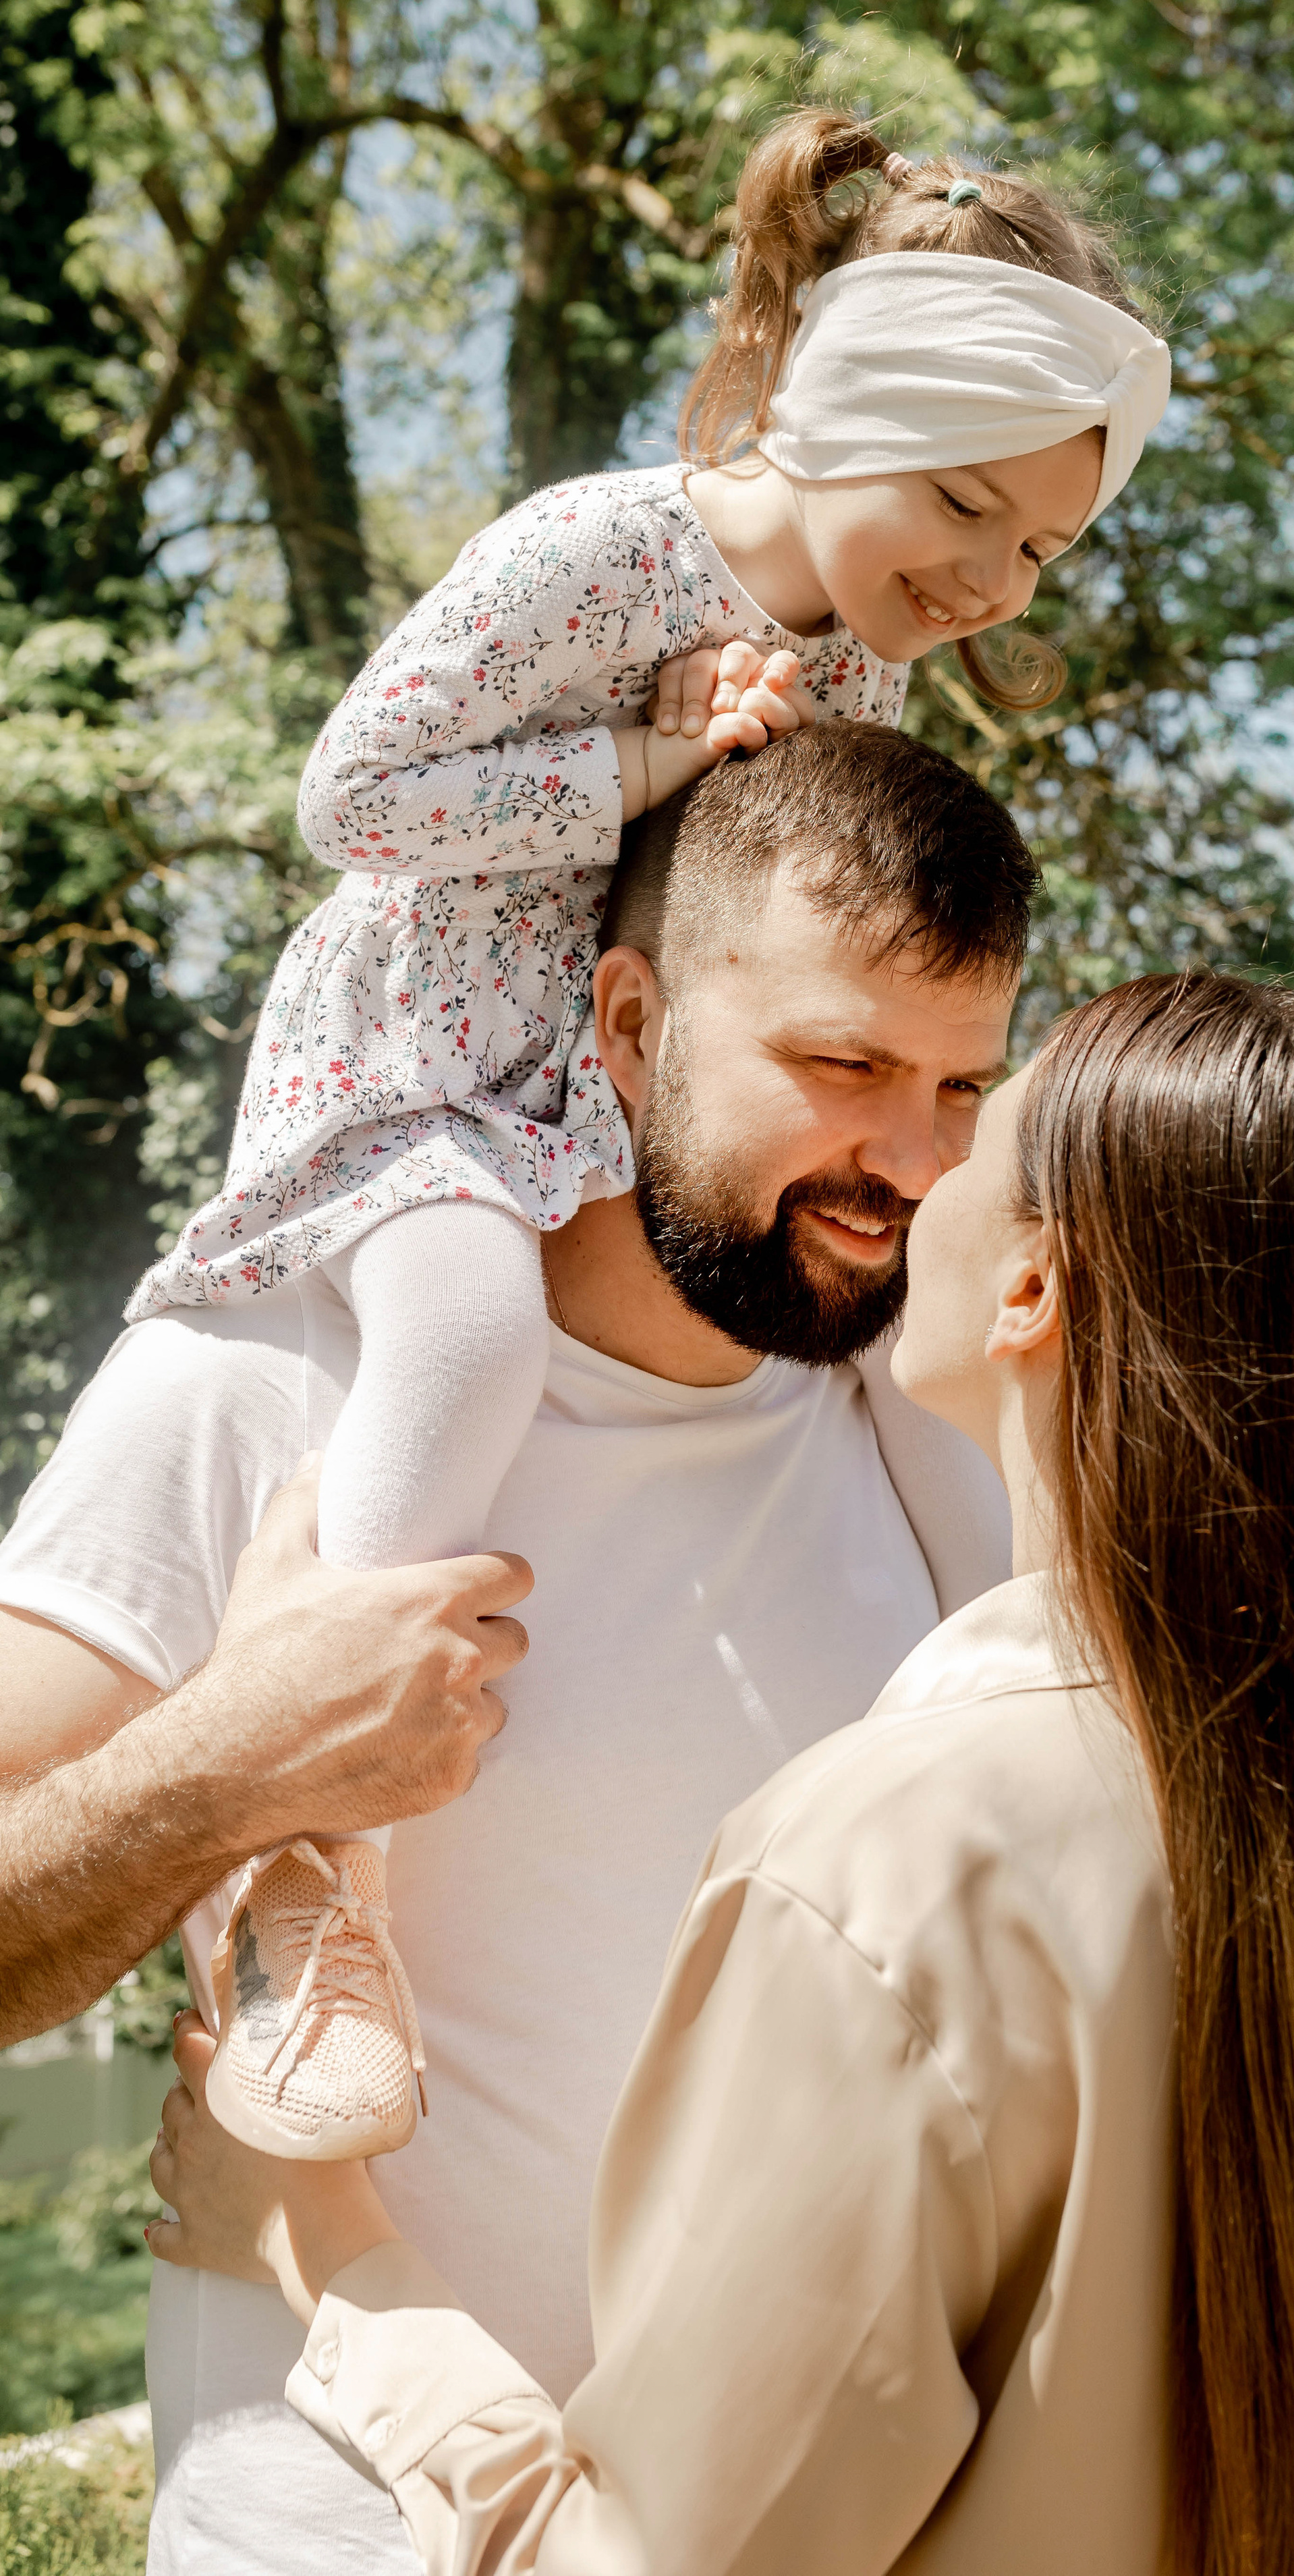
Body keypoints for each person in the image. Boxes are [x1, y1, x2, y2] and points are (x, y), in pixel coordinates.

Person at [152, 970, 1294, 2576]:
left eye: (974, 1123)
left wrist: (326, 2251)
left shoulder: (892, 1863)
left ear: (1028, 1295)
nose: (913, 1166)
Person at [116, 109, 1173, 2164]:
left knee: (908, 1344)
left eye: (1038, 548)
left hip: (599, 1083)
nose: (987, 576)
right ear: (829, 407)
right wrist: (647, 755)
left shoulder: (862, 665)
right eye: (962, 503)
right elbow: (356, 801)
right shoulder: (601, 550)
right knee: (466, 1342)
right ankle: (315, 1861)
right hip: (425, 1061)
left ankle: (1071, 1775)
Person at [0, 724, 1026, 2576]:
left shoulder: (935, 1441)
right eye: (842, 1064)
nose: (912, 1161)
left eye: (962, 1088)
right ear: (622, 1025)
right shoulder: (267, 1380)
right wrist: (233, 1761)